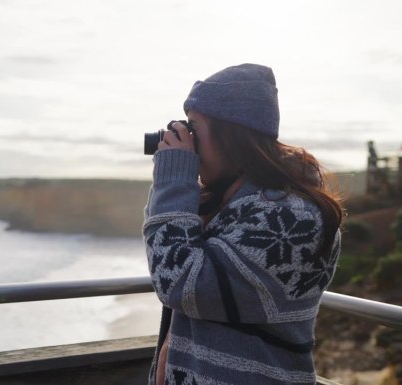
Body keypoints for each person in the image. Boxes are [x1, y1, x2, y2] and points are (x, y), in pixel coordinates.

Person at [143, 63, 343, 385]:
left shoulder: (290, 217)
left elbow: (178, 283)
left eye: (193, 128)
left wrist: (174, 181)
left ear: (230, 134)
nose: (187, 141)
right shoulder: (233, 204)